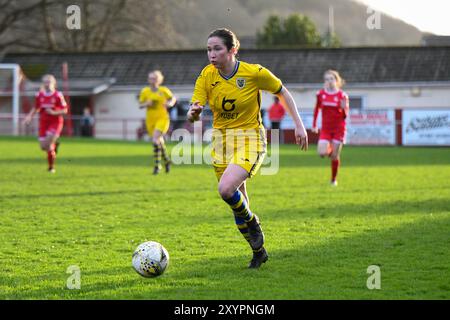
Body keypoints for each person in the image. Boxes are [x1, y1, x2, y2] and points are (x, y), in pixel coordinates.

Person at [187, 28, 308, 268]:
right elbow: (193, 112)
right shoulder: (206, 76)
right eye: (209, 49)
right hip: (221, 143)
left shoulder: (253, 73)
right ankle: (258, 251)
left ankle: (253, 223)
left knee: (225, 189)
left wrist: (299, 125)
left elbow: (282, 92)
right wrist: (193, 113)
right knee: (238, 201)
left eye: (217, 49)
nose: (211, 54)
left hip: (250, 139)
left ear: (233, 50)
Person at [311, 70, 349, 186]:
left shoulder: (342, 95)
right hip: (326, 129)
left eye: (331, 79)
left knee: (334, 157)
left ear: (337, 81)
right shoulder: (321, 94)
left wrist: (343, 108)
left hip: (339, 129)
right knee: (321, 152)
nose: (329, 81)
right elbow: (317, 109)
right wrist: (314, 124)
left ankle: (333, 179)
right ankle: (331, 149)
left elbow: (345, 116)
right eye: (327, 79)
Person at [23, 74, 68, 173]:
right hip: (43, 123)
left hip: (55, 122)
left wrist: (53, 112)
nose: (47, 84)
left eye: (49, 82)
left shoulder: (58, 95)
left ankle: (51, 167)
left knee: (48, 143)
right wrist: (29, 117)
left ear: (53, 83)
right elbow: (36, 107)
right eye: (45, 82)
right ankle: (54, 146)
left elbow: (65, 110)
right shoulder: (39, 95)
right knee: (44, 147)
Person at [139, 70, 177, 175]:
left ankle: (157, 166)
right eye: (151, 78)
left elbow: (173, 98)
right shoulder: (145, 91)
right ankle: (167, 161)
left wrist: (170, 103)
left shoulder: (163, 90)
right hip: (150, 120)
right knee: (159, 141)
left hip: (162, 118)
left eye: (154, 78)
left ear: (159, 80)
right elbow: (140, 105)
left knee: (155, 140)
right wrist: (147, 103)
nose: (152, 80)